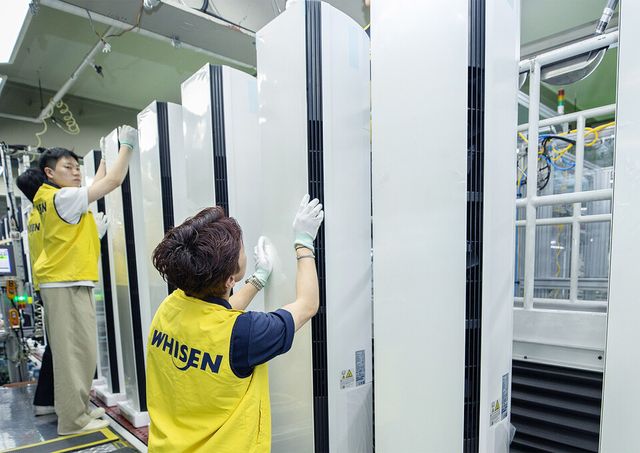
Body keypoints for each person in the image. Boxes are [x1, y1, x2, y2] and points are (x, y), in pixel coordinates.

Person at [146, 194, 324, 452]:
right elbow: (307, 304)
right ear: (230, 279)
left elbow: (216, 318)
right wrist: (303, 243)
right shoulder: (246, 334)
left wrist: (257, 280)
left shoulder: (170, 306)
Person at [33, 125, 137, 435]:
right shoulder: (62, 197)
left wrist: (104, 157)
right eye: (68, 167)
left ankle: (76, 410)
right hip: (65, 283)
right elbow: (112, 182)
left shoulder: (53, 197)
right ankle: (72, 421)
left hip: (67, 281)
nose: (77, 172)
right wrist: (127, 147)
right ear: (50, 173)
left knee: (80, 352)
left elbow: (95, 184)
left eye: (77, 167)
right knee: (73, 356)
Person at [17, 167, 110, 417]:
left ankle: (49, 402)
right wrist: (94, 235)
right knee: (69, 352)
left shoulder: (35, 214)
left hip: (46, 284)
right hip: (62, 283)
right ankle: (66, 409)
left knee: (58, 349)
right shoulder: (54, 209)